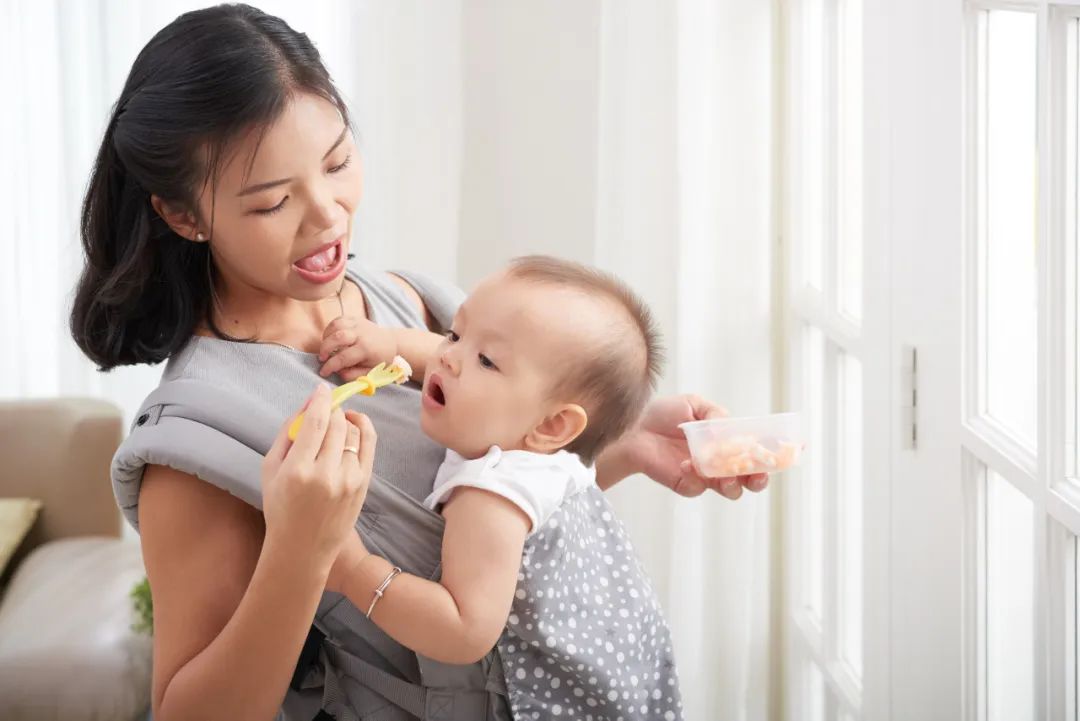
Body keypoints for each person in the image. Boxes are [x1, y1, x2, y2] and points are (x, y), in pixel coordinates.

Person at [70, 5, 769, 720]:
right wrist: (302, 551)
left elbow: (493, 523)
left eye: (338, 161)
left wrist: (619, 443)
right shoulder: (198, 438)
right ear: (185, 215)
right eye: (274, 201)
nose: (329, 216)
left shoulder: (407, 299)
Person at [321, 255, 683, 719]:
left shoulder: (490, 496)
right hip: (637, 664)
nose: (447, 355)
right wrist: (390, 342)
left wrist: (353, 569)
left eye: (487, 360)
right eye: (456, 332)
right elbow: (444, 355)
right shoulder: (553, 451)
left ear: (553, 424)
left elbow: (464, 631)